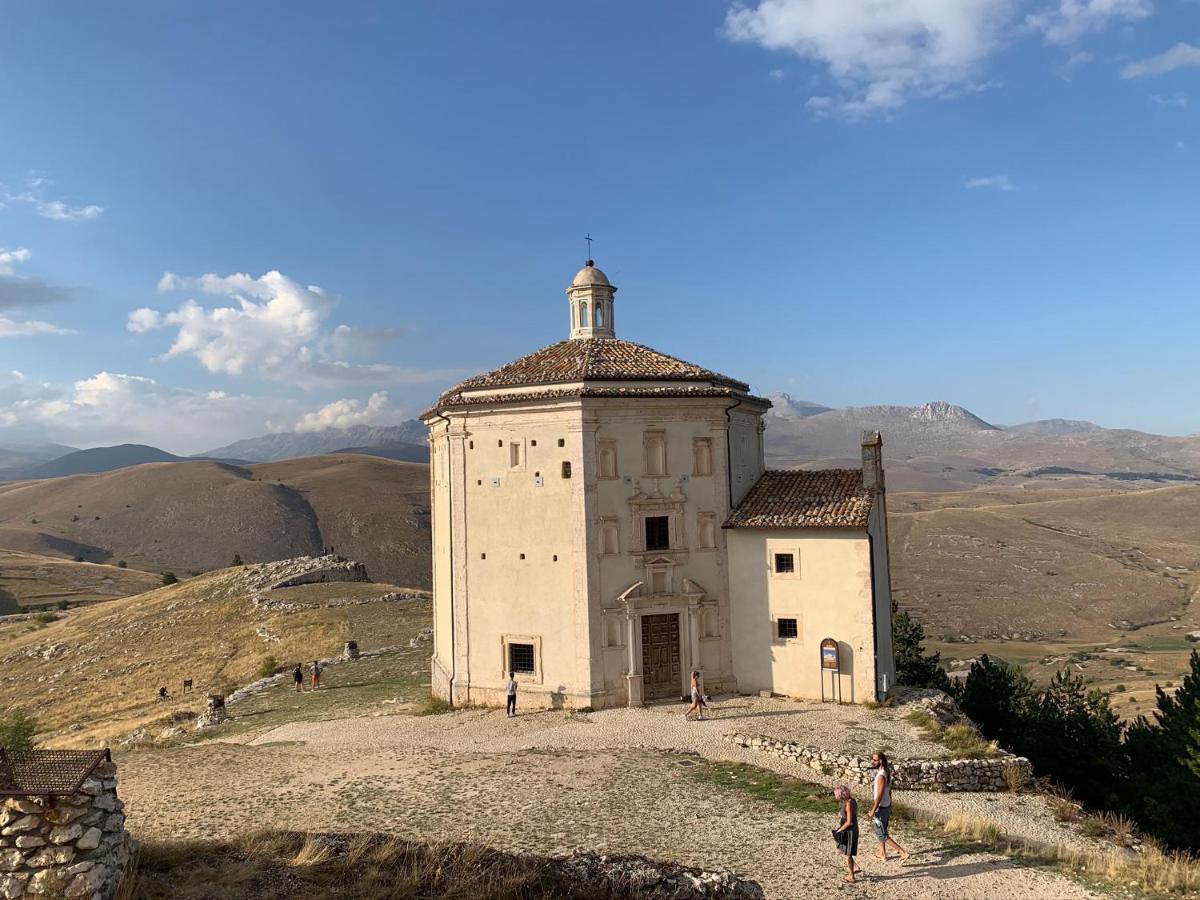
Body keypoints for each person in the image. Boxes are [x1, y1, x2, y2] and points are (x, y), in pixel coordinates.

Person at [868, 751, 910, 863]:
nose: (872, 762)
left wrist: (873, 809)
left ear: (881, 761)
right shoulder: (885, 772)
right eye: (872, 759)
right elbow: (889, 792)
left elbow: (880, 795)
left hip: (881, 808)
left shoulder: (881, 775)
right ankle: (882, 853)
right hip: (886, 806)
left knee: (882, 834)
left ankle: (902, 852)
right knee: (881, 831)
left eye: (875, 760)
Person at [832, 785, 862, 883]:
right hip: (851, 829)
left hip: (849, 831)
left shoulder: (848, 803)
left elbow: (849, 822)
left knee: (848, 854)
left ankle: (851, 876)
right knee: (845, 851)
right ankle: (856, 867)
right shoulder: (852, 800)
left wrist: (839, 830)